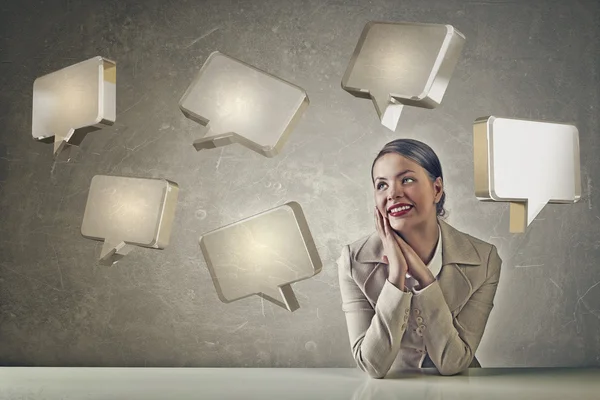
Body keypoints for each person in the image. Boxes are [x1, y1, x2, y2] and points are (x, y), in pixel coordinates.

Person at [337, 138, 502, 379]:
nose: (393, 194)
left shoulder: (484, 260)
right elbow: (372, 365)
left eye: (407, 180)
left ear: (436, 189)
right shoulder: (353, 261)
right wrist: (396, 276)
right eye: (381, 185)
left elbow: (453, 363)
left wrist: (424, 277)